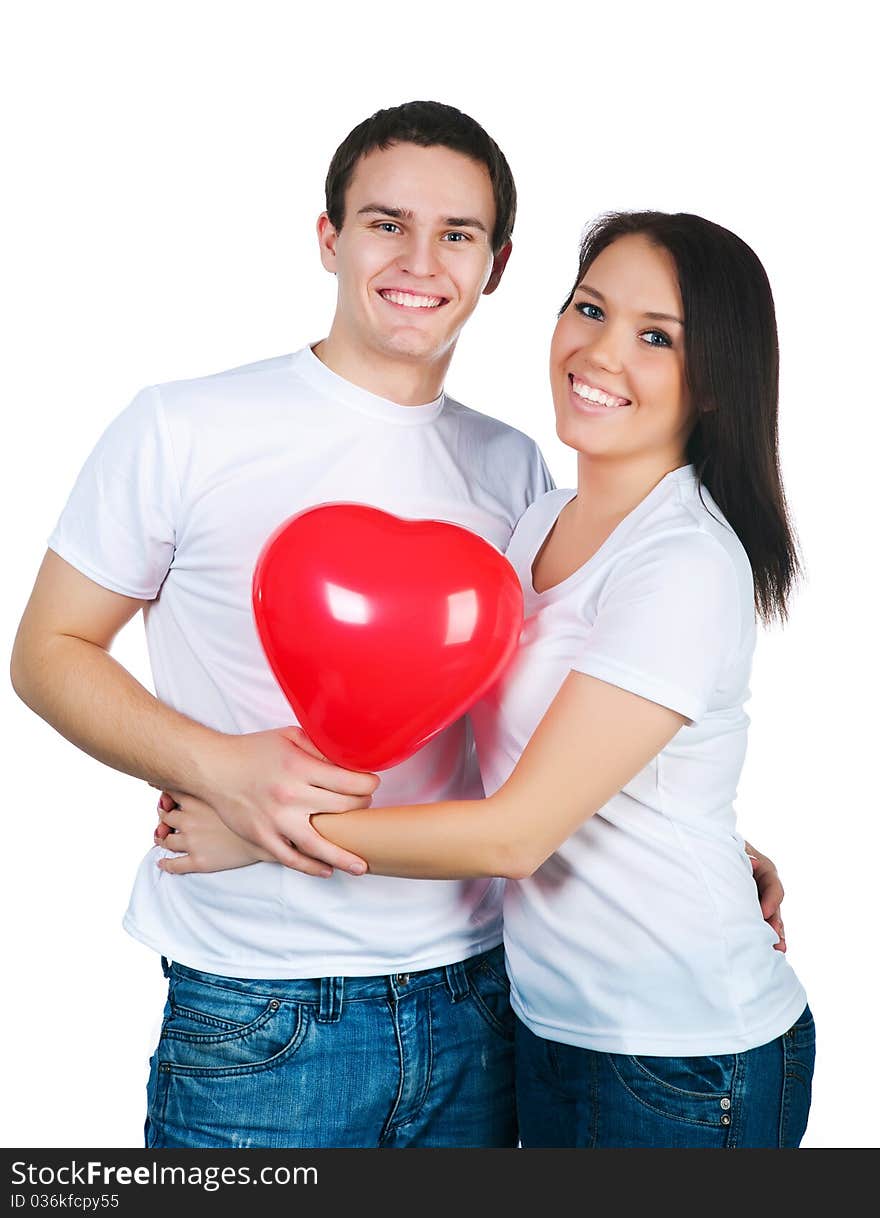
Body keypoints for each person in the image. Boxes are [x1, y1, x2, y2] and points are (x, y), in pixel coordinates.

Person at [9, 97, 783, 1150]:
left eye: (456, 233)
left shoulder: (517, 471)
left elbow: (561, 716)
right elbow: (48, 652)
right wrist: (229, 772)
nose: (419, 258)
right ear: (328, 238)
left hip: (480, 996)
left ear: (496, 265)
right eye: (384, 223)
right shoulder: (183, 426)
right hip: (259, 1006)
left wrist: (690, 834)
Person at [158, 211, 813, 1149]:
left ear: (716, 385)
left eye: (656, 336)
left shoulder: (686, 562)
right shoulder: (538, 520)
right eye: (589, 308)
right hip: (547, 1025)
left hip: (682, 1054)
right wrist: (716, 840)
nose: (600, 351)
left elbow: (516, 835)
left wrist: (263, 828)